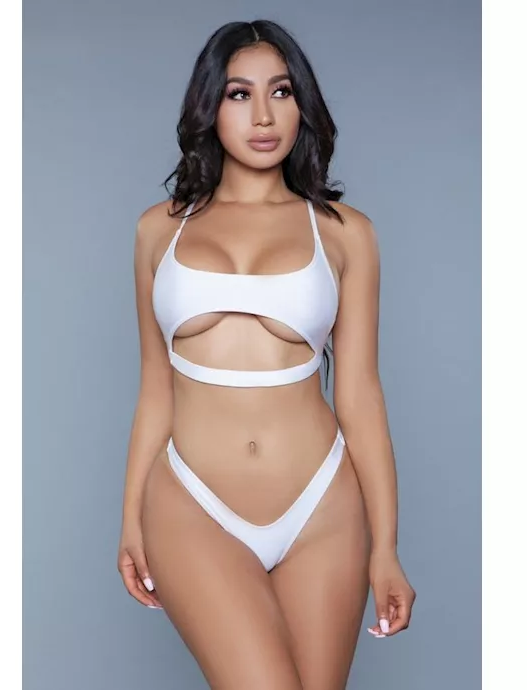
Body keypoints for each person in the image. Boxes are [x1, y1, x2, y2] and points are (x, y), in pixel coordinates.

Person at [118, 19, 416, 690]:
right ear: (209, 105)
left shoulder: (347, 234)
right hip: (193, 503)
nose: (263, 115)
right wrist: (130, 516)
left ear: (302, 105)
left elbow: (360, 395)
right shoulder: (157, 231)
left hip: (322, 509)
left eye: (281, 92)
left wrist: (386, 547)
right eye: (238, 94)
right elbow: (155, 386)